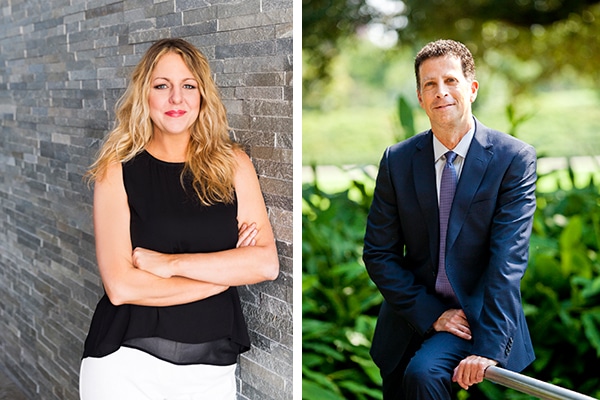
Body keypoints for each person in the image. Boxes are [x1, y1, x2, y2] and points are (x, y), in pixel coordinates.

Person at [80, 38, 279, 399]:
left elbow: (265, 263)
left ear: (202, 95)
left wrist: (168, 264)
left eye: (188, 86)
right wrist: (223, 277)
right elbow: (122, 287)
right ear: (145, 95)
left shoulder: (234, 164)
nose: (176, 99)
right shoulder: (116, 171)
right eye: (162, 86)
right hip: (124, 363)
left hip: (210, 369)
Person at [363, 39, 537, 399]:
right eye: (430, 84)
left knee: (425, 374)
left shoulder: (513, 159)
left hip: (479, 318)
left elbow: (508, 261)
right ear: (420, 97)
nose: (441, 92)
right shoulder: (397, 160)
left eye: (451, 81)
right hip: (412, 315)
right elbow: (379, 253)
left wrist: (487, 350)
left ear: (471, 89)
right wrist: (431, 314)